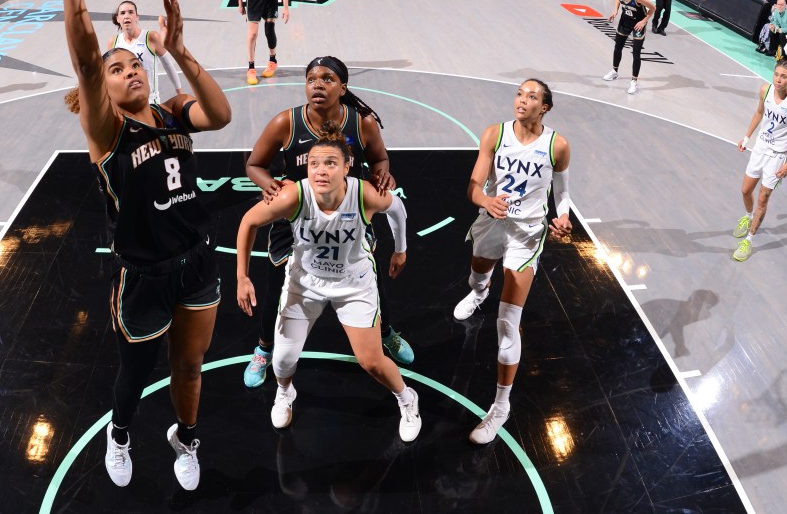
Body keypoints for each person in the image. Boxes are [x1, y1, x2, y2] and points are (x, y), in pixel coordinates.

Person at [24, 0, 232, 491]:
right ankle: (120, 432)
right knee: (136, 373)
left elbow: (220, 116)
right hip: (142, 275)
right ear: (105, 89)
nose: (129, 70)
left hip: (196, 262)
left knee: (190, 366)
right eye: (118, 70)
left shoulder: (169, 113)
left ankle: (184, 438)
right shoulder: (105, 132)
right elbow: (87, 62)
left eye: (133, 64)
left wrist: (180, 52)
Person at [236, 121, 421, 443]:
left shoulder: (364, 194)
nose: (320, 171)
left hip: (354, 286)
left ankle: (408, 399)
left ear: (348, 167)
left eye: (330, 163)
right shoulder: (294, 194)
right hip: (304, 284)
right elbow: (248, 221)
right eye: (314, 164)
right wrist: (241, 276)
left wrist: (401, 250)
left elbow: (398, 209)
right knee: (282, 358)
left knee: (372, 361)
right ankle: (285, 393)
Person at [240, 56, 414, 388]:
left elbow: (379, 157)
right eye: (312, 79)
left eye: (328, 79)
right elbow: (254, 165)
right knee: (277, 288)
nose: (318, 84)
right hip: (297, 216)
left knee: (368, 282)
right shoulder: (285, 123)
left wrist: (382, 171)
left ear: (343, 87)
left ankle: (386, 333)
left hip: (347, 212)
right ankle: (264, 349)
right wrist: (270, 185)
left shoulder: (362, 123)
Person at [452, 79, 572, 444]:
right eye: (520, 94)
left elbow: (563, 192)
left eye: (532, 97)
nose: (522, 100)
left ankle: (500, 407)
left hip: (527, 233)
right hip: (492, 221)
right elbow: (474, 185)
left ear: (545, 107)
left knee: (508, 324)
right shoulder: (494, 134)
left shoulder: (557, 146)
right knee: (477, 274)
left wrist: (563, 217)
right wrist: (484, 201)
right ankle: (478, 291)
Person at [732, 60, 787, 261]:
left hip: (777, 156)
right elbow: (759, 112)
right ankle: (748, 218)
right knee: (745, 190)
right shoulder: (765, 90)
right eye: (776, 74)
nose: (778, 79)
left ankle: (749, 240)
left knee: (763, 199)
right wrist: (747, 138)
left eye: (784, 76)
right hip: (760, 148)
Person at [106, 0, 184, 105]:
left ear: (137, 17)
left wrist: (179, 92)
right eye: (122, 13)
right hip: (126, 101)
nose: (127, 16)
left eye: (131, 12)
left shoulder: (151, 37)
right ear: (118, 18)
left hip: (150, 100)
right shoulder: (113, 42)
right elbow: (109, 74)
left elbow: (168, 64)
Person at [603, 0, 656, 95]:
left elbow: (653, 8)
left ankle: (634, 81)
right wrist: (615, 10)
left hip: (638, 24)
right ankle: (614, 72)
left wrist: (644, 21)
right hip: (625, 21)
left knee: (636, 52)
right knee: (617, 48)